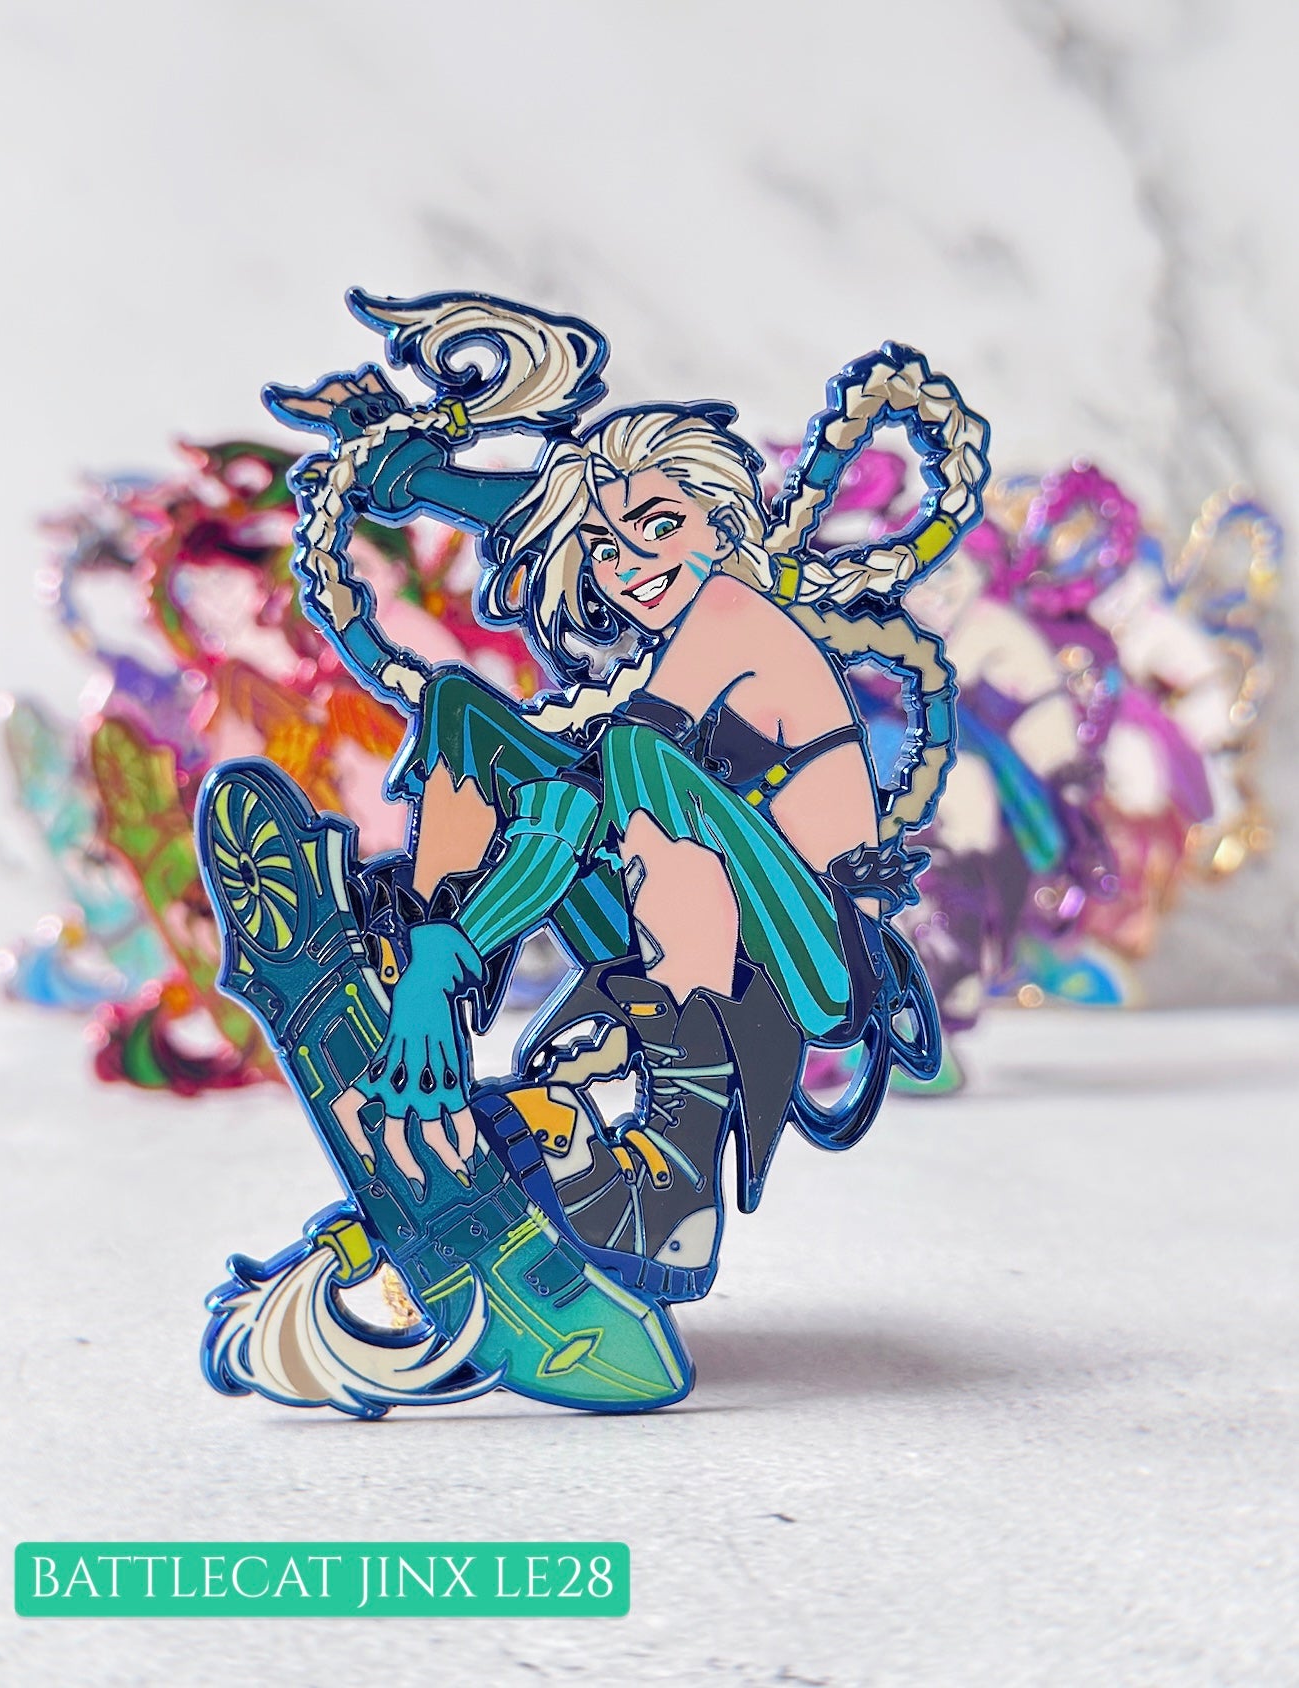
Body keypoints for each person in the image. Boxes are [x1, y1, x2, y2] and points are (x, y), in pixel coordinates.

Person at [263, 290, 988, 1303]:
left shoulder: (730, 614)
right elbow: (539, 517)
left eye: (658, 527)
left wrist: (462, 943)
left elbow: (592, 789)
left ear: (723, 523)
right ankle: (422, 992)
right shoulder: (672, 630)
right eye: (604, 548)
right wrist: (405, 462)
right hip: (697, 922)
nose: (626, 565)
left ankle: (676, 1171)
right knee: (468, 712)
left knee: (630, 763)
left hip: (801, 951)